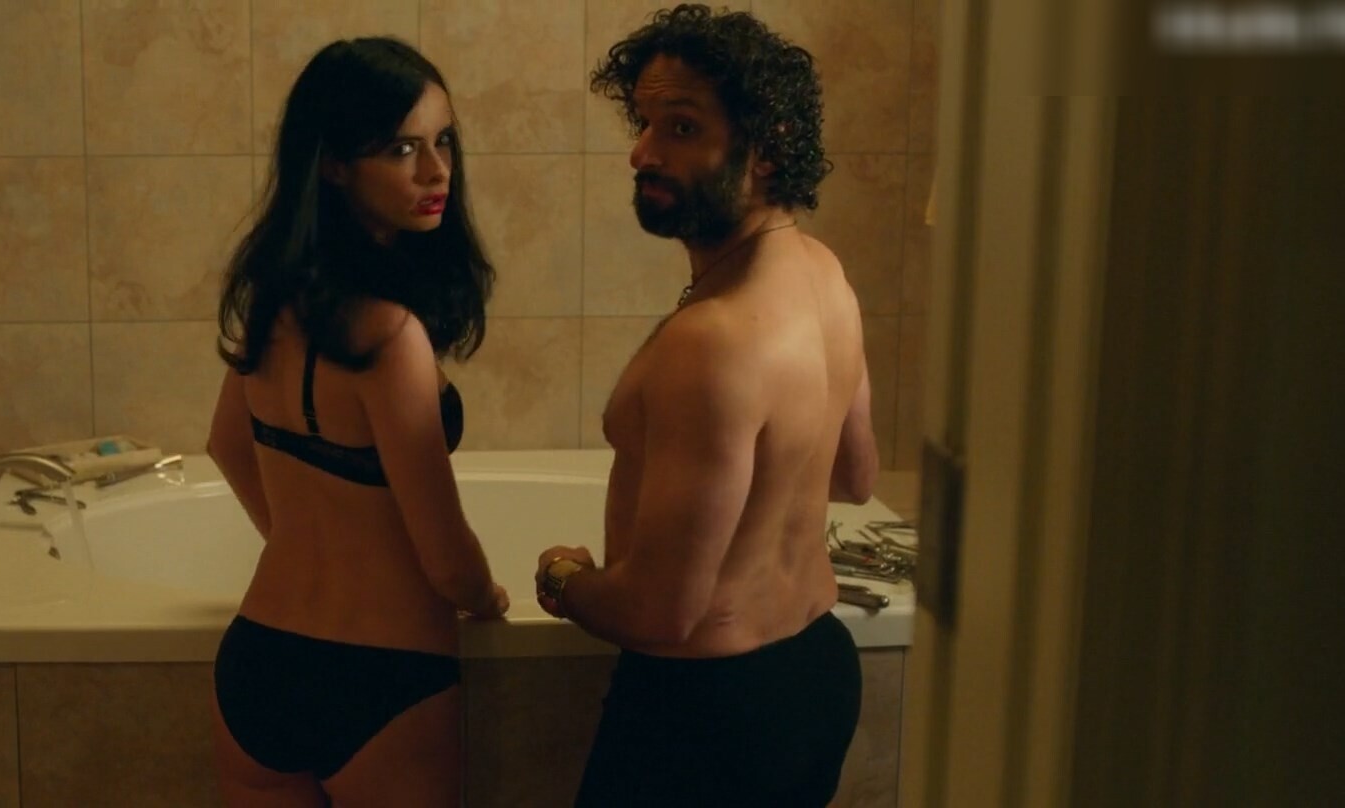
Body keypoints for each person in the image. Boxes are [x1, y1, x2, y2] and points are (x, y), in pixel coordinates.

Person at [530, 6, 880, 806]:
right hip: (815, 677)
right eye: (645, 123)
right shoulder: (824, 274)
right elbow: (854, 476)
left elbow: (661, 613)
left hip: (705, 715)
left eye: (682, 128)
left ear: (768, 148)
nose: (643, 153)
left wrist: (563, 578)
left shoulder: (711, 342)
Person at [204, 36, 511, 808]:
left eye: (444, 142)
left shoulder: (277, 303)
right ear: (335, 165)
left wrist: (304, 542)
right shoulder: (390, 337)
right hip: (382, 677)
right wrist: (488, 598)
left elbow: (226, 444)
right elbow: (446, 558)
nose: (437, 171)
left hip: (258, 661)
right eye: (403, 149)